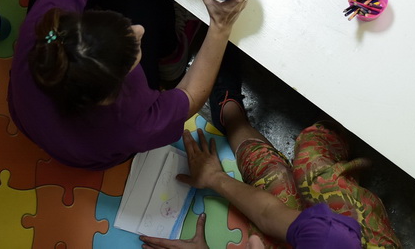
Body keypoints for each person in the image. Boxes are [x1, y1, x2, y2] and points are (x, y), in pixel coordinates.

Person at [8, 0, 252, 169]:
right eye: (132, 50)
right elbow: (189, 95)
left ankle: (144, 30)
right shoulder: (134, 124)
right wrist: (221, 26)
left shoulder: (46, 29)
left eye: (123, 27)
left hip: (34, 120)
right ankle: (171, 57)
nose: (139, 31)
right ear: (112, 92)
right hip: (91, 152)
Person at [139, 51, 400, 248]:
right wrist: (215, 178)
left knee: (273, 175)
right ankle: (334, 114)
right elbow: (268, 213)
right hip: (340, 240)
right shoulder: (333, 240)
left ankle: (231, 117)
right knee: (314, 170)